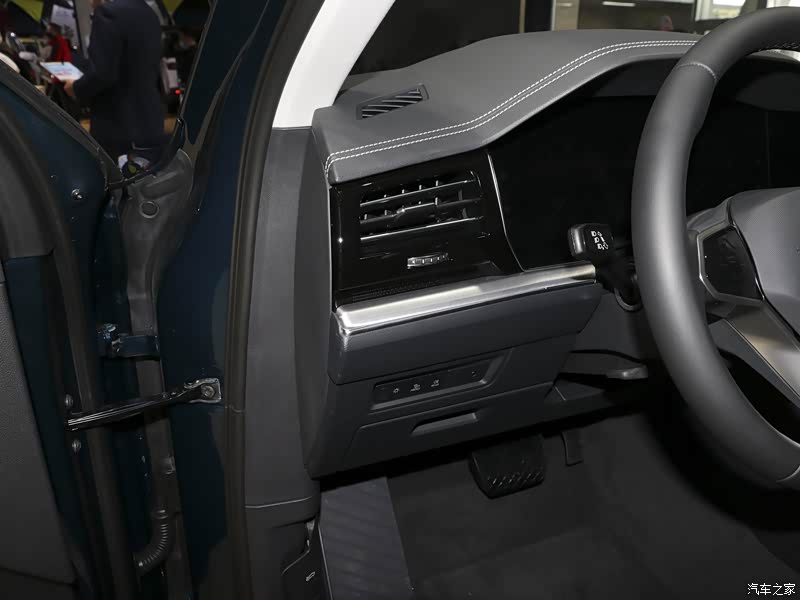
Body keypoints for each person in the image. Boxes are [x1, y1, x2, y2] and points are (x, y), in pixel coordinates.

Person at [65, 0, 165, 170]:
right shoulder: (148, 12)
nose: (90, 2)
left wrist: (76, 88)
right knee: (147, 181)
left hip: (118, 123)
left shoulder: (107, 13)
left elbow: (103, 73)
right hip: (150, 120)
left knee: (117, 181)